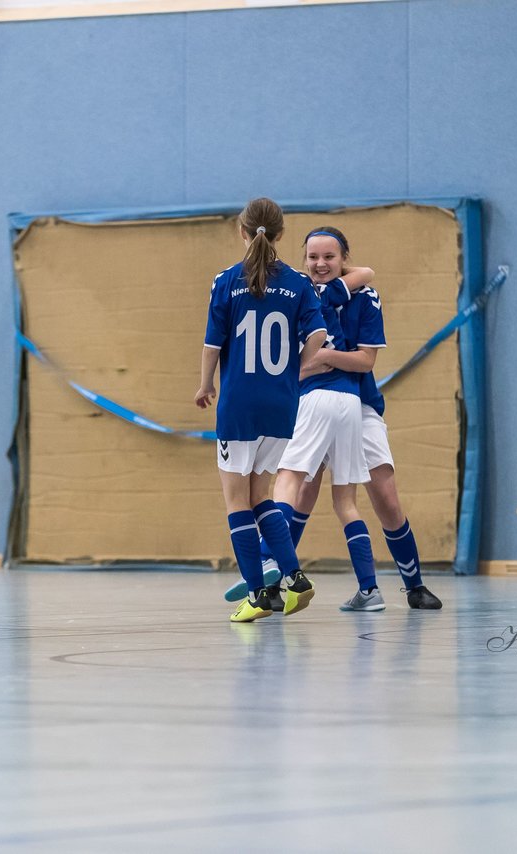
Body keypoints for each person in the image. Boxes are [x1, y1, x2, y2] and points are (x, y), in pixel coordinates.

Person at [226, 226, 443, 610]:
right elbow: (294, 364)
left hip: (358, 402)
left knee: (383, 496)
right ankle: (277, 579)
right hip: (311, 400)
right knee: (311, 492)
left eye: (329, 257)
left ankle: (414, 586)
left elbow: (365, 360)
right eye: (313, 257)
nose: (321, 264)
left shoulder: (362, 296)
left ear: (344, 258)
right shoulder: (296, 293)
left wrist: (322, 359)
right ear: (303, 259)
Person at [196, 198, 327, 623]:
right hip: (281, 404)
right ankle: (295, 578)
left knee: (237, 501)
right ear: (282, 234)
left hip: (240, 405)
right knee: (262, 496)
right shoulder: (298, 283)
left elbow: (213, 343)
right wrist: (297, 368)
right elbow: (320, 335)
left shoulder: (227, 280)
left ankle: (256, 594)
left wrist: (204, 385)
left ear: (241, 231)